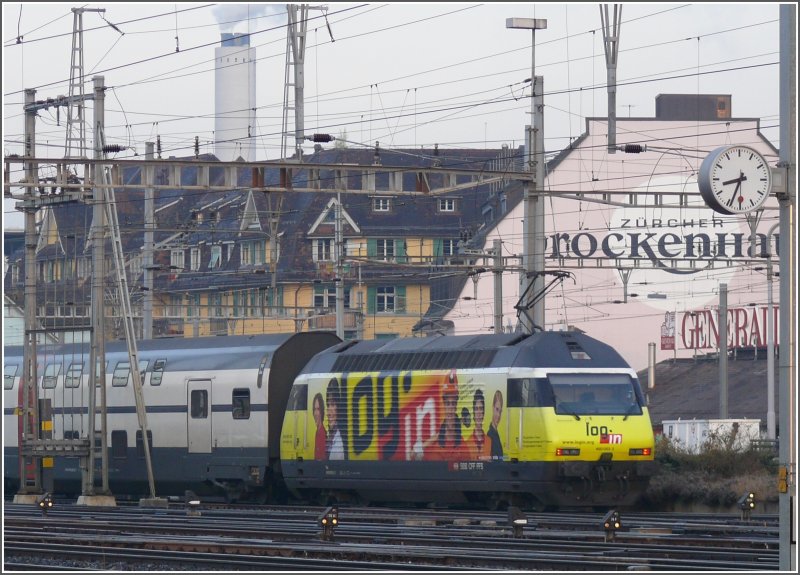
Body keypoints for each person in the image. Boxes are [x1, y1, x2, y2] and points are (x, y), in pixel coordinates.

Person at [424, 370, 467, 461]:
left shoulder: (463, 446)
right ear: (444, 405)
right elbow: (412, 454)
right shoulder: (434, 444)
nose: (450, 408)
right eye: (448, 403)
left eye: (453, 403)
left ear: (456, 406)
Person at [466, 389, 491, 460]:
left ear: (483, 412)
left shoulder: (490, 441)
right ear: (473, 413)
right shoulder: (467, 443)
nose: (479, 413)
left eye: (481, 408)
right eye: (476, 409)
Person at [326, 378, 346, 460]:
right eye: (328, 405)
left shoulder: (339, 443)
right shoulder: (332, 437)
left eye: (333, 404)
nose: (328, 413)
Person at [486, 389, 504, 460]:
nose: (498, 415)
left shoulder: (496, 434)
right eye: (497, 409)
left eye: (500, 411)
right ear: (492, 408)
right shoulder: (490, 435)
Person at [312, 392, 327, 460]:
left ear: (322, 411)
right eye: (314, 409)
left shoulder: (323, 434)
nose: (315, 413)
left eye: (318, 409)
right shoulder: (317, 432)